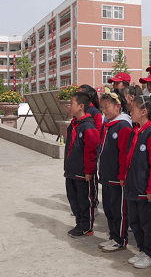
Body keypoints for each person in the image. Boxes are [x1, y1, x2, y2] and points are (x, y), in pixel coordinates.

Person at [120, 95, 151, 269]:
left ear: (144, 111)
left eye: (133, 109)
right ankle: (142, 249)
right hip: (133, 186)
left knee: (148, 224)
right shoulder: (136, 130)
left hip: (146, 189)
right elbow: (128, 157)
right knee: (136, 222)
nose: (130, 111)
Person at [97, 90, 132, 253]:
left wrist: (122, 176)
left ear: (118, 106)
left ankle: (120, 239)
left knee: (119, 210)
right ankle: (113, 235)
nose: (104, 111)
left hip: (118, 178)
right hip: (106, 175)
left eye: (107, 107)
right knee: (109, 209)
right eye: (102, 108)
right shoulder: (108, 124)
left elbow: (124, 154)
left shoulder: (123, 125)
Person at [64, 92, 100, 238]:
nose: (69, 106)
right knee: (73, 199)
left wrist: (89, 171)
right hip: (71, 170)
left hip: (83, 171)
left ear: (81, 106)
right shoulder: (73, 125)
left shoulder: (88, 126)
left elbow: (91, 151)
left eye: (72, 103)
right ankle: (79, 224)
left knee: (84, 200)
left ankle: (86, 227)